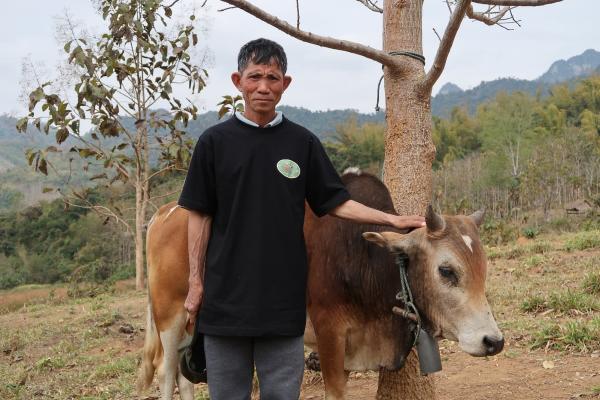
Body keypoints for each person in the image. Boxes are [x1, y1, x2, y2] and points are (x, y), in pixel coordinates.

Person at [177, 38, 425, 400]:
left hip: (284, 306)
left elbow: (337, 202)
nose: (264, 86)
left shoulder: (301, 143)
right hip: (224, 304)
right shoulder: (214, 143)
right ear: (238, 81)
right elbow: (198, 214)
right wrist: (196, 284)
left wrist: (392, 221)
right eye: (255, 76)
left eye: (273, 78)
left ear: (285, 84)